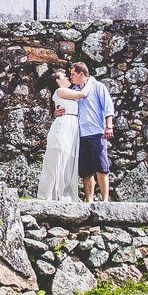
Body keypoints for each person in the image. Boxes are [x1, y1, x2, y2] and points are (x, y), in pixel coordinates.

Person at [55, 62, 115, 202]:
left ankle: (105, 200)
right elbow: (61, 103)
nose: (71, 77)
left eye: (73, 74)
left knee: (101, 167)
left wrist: (109, 126)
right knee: (85, 170)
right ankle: (89, 200)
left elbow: (108, 107)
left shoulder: (98, 87)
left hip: (96, 132)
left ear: (81, 74)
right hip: (80, 135)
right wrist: (56, 111)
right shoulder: (75, 91)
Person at [35, 69, 80, 201]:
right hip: (64, 126)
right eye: (64, 76)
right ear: (58, 81)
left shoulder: (68, 92)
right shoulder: (60, 91)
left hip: (71, 127)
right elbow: (83, 94)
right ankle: (48, 194)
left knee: (67, 160)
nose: (67, 78)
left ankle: (62, 193)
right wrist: (91, 82)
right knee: (57, 160)